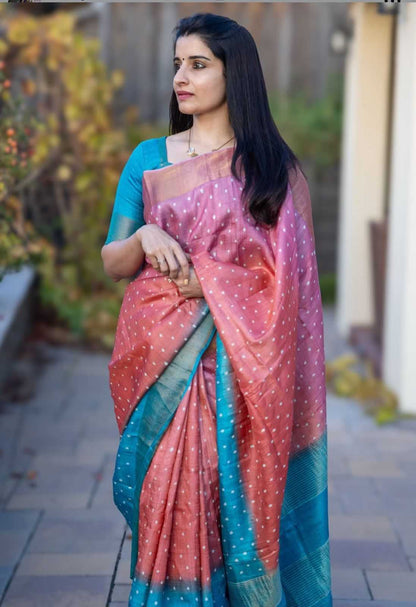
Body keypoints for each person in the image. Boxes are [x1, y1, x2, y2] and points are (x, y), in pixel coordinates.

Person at [101, 12, 332, 607]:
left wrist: (212, 281)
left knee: (233, 503)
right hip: (163, 370)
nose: (182, 76)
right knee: (165, 498)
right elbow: (113, 260)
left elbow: (295, 287)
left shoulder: (272, 172)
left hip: (242, 374)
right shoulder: (150, 158)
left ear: (237, 74)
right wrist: (146, 237)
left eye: (198, 64)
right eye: (178, 64)